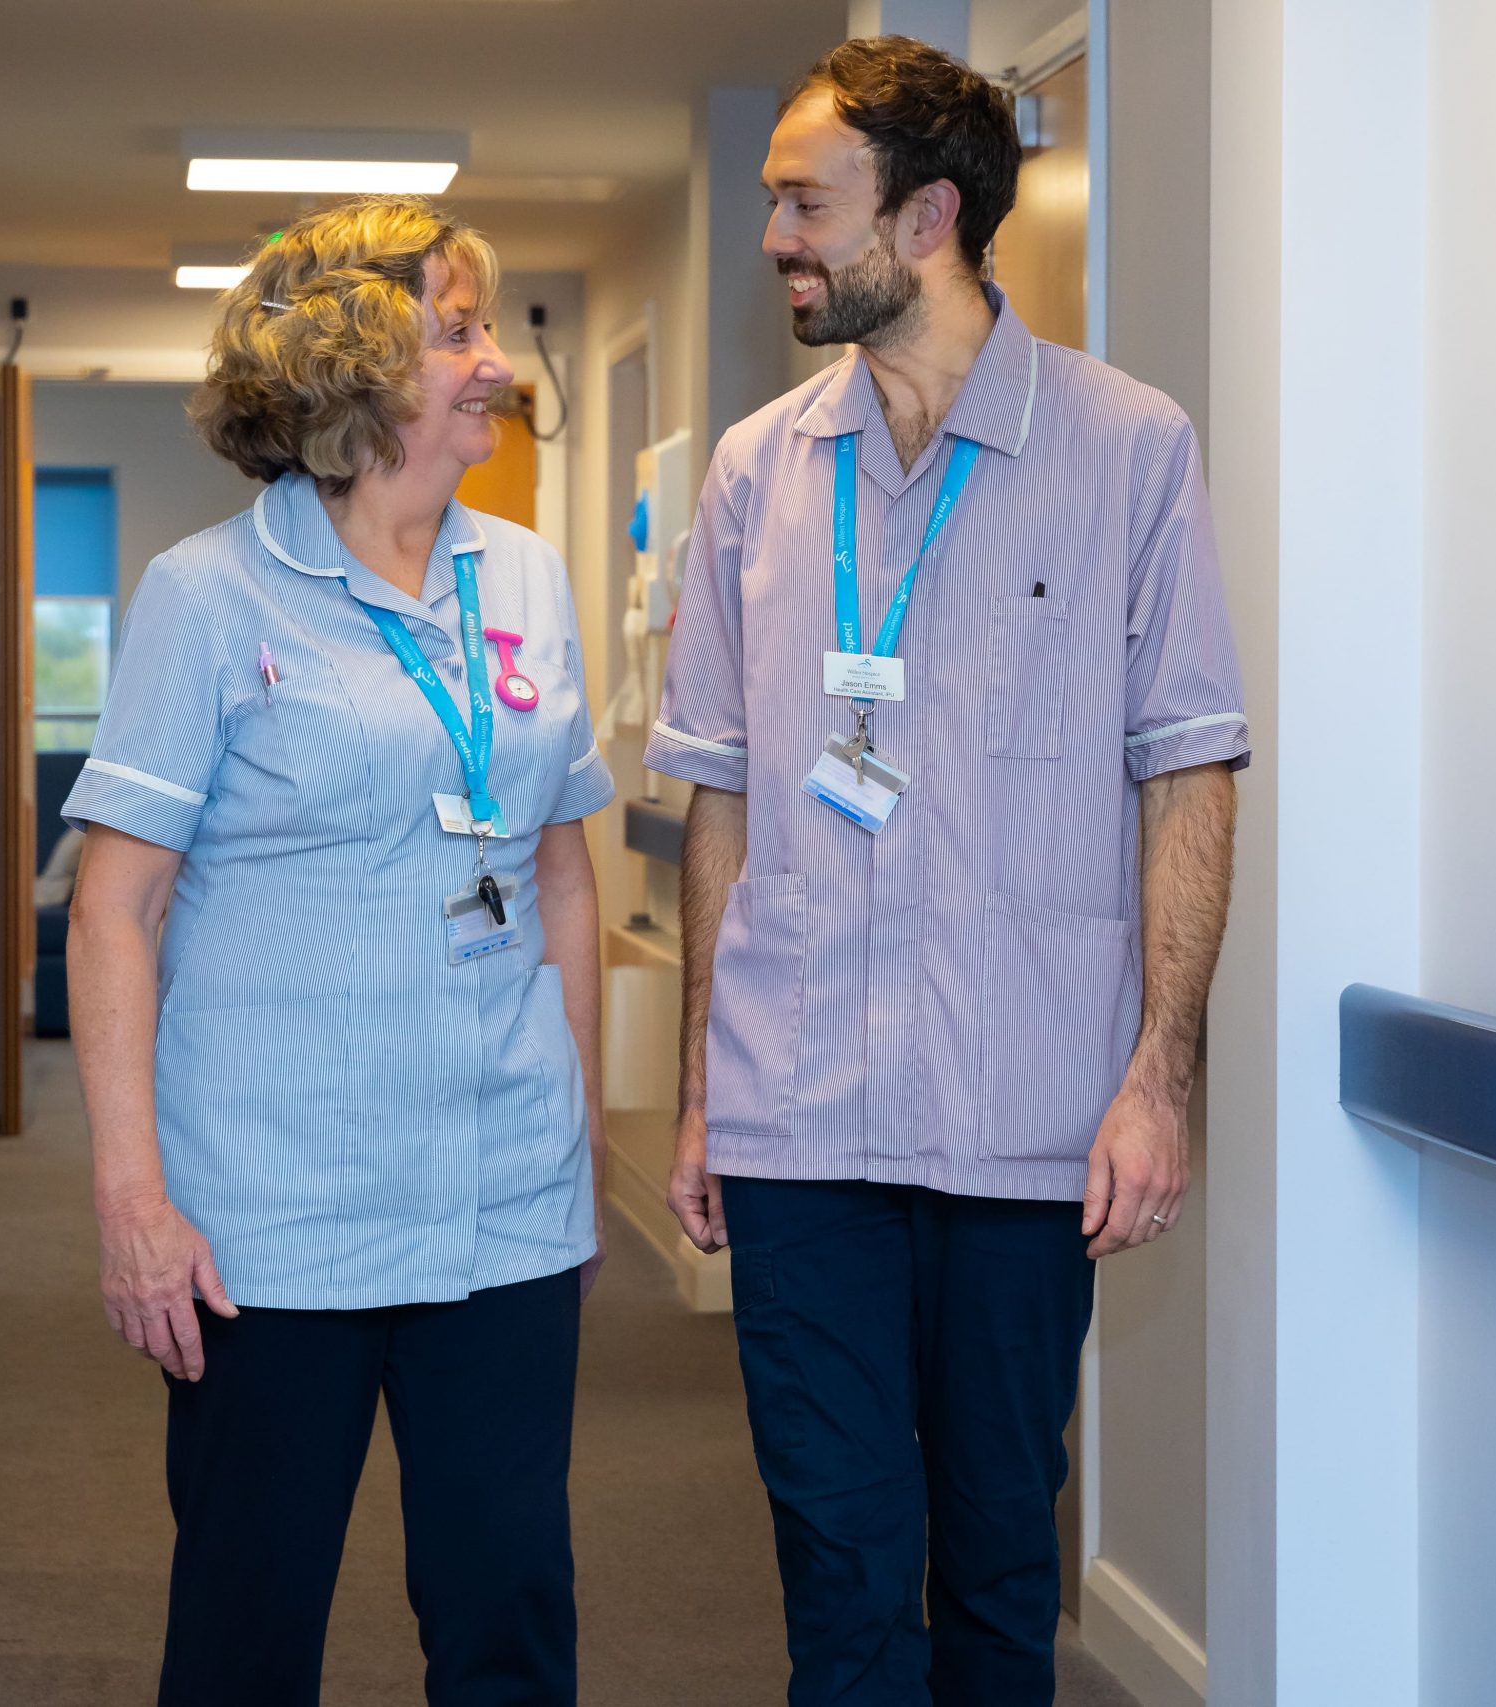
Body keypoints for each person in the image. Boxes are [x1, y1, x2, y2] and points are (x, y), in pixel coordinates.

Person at [646, 37, 1246, 1707]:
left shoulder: (1129, 451)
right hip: (799, 1113)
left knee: (995, 1563)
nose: (774, 232)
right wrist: (703, 1081)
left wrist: (1160, 1076)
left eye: (802, 200)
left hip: (1026, 1117)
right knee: (839, 1572)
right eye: (770, 195)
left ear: (923, 219)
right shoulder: (759, 474)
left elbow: (1190, 764)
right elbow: (716, 789)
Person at [63, 194, 613, 1706]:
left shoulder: (529, 581)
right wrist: (133, 1202)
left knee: (510, 1615)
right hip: (271, 1224)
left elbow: (560, 868)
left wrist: (566, 1131)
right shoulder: (207, 596)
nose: (495, 363)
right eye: (458, 331)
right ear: (356, 373)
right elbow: (115, 909)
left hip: (500, 1199)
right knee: (249, 1635)